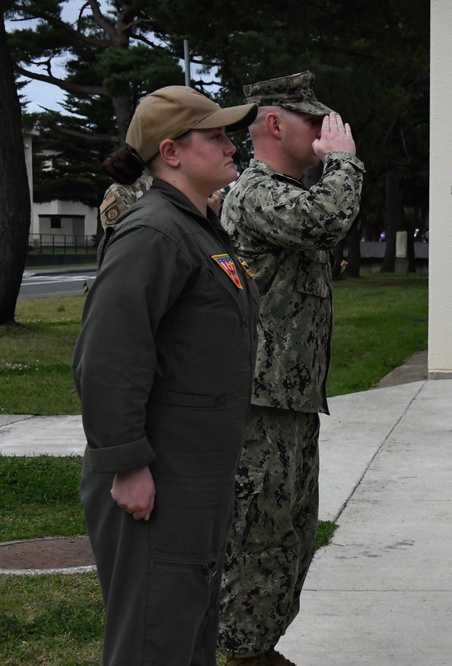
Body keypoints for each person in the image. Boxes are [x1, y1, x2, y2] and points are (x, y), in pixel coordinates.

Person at [72, 86, 258, 666]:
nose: (233, 147)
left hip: (193, 471)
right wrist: (125, 462)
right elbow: (107, 356)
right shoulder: (154, 233)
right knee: (154, 637)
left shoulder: (196, 227)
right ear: (171, 151)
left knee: (186, 632)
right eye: (219, 136)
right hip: (158, 476)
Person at [218, 71, 364, 666]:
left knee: (290, 533)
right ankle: (243, 650)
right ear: (275, 125)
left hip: (288, 398)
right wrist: (345, 162)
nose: (329, 132)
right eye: (316, 121)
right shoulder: (256, 193)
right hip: (261, 401)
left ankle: (261, 646)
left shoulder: (287, 192)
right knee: (258, 536)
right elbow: (329, 218)